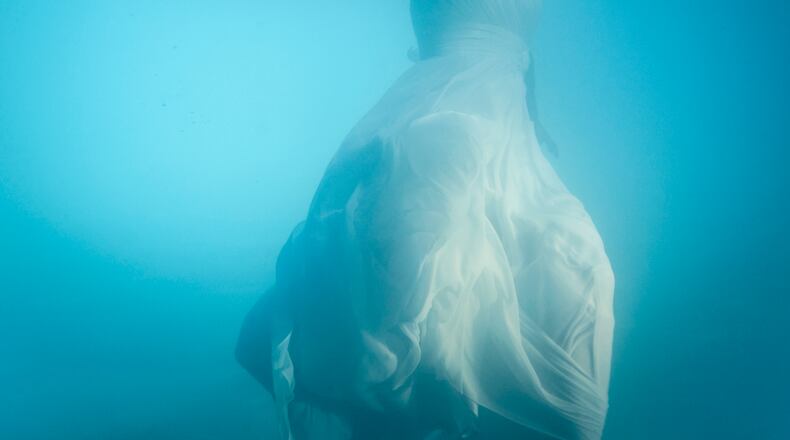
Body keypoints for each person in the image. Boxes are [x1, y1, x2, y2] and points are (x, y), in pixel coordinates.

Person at [237, 1, 615, 438]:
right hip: (458, 100)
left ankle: (406, 388)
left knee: (429, 251)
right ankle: (407, 388)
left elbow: (517, 52)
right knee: (416, 245)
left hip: (479, 102)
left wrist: (532, 109)